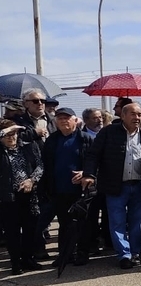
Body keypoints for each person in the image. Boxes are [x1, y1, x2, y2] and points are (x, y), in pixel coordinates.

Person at [82, 102, 141, 269]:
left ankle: (135, 252)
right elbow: (93, 155)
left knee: (137, 222)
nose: (137, 118)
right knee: (117, 222)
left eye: (139, 114)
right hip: (115, 186)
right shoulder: (108, 133)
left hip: (140, 185)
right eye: (133, 114)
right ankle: (123, 255)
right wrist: (89, 174)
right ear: (123, 116)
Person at [41, 108, 93, 266]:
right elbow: (46, 164)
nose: (63, 121)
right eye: (60, 118)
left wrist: (86, 173)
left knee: (83, 224)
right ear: (55, 122)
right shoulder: (52, 140)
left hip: (81, 190)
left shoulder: (85, 139)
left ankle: (83, 253)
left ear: (75, 120)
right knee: (64, 224)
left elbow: (95, 161)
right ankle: (65, 255)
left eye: (67, 118)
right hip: (58, 189)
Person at [0, 119, 44, 274]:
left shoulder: (28, 147)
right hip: (7, 197)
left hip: (29, 195)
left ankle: (28, 259)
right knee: (12, 231)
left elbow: (40, 166)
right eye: (7, 135)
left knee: (30, 229)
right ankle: (15, 262)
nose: (12, 138)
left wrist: (31, 180)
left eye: (14, 134)